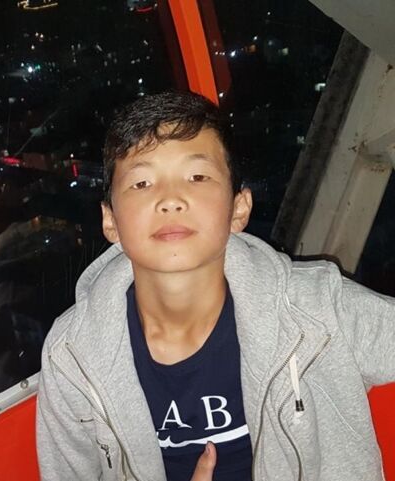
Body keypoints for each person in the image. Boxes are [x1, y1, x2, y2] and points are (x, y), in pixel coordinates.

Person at [35, 91, 395, 480]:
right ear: (110, 221)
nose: (170, 200)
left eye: (197, 177)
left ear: (239, 208)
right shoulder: (72, 355)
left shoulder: (316, 308)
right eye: (142, 183)